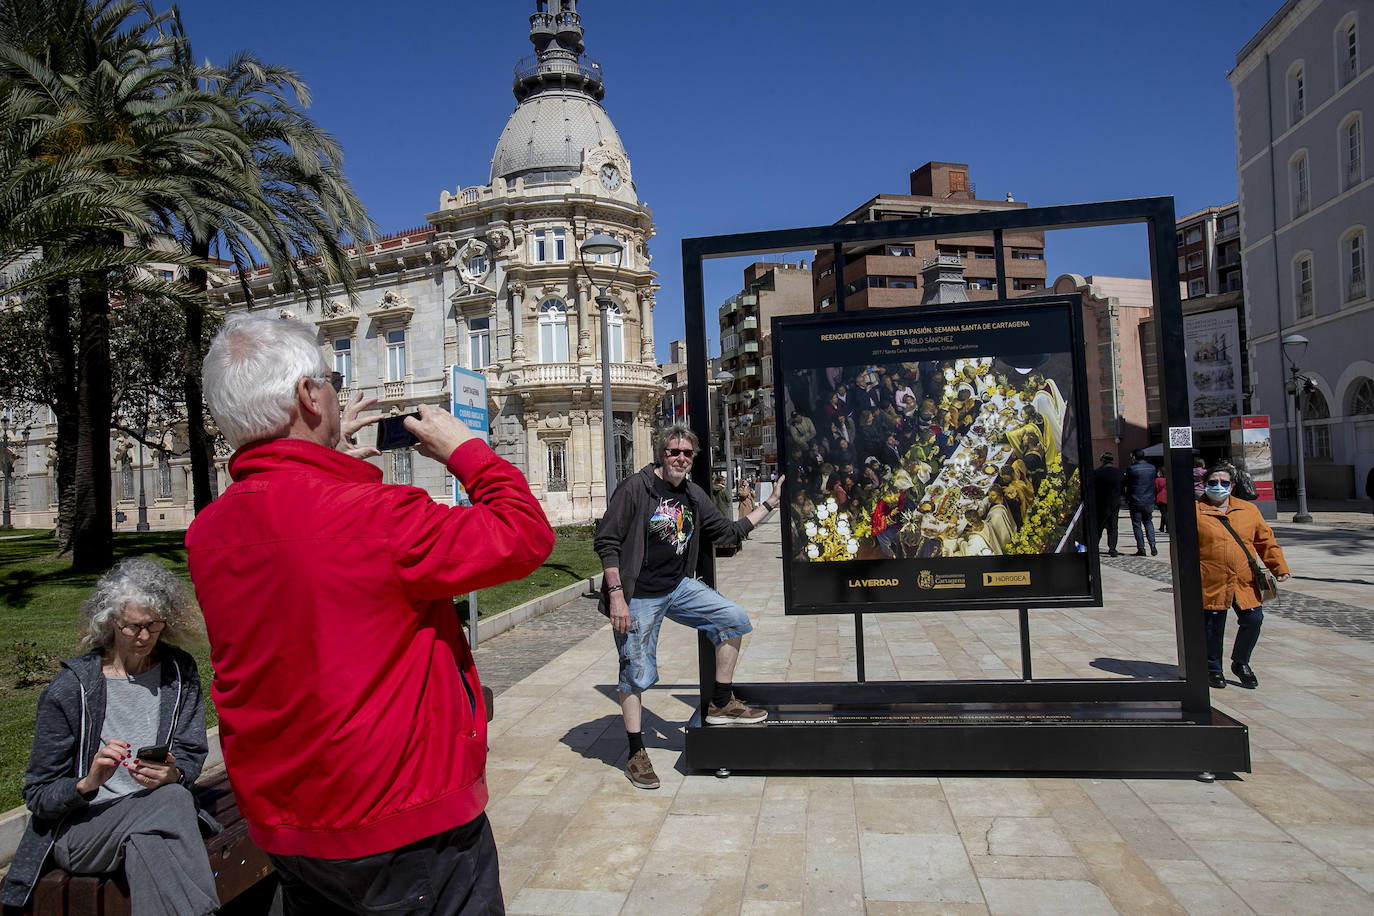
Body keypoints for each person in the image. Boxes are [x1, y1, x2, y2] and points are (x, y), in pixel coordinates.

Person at [185, 316, 554, 914]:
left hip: (287, 824)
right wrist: (468, 451)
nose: (336, 393)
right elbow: (524, 535)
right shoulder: (377, 517)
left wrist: (330, 459)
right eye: (331, 381)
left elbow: (321, 578)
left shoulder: (210, 531)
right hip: (402, 825)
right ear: (308, 396)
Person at [2, 559, 219, 915]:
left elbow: (191, 753)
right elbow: (38, 795)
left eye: (153, 625)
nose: (145, 636)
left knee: (151, 839)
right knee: (176, 801)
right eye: (132, 627)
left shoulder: (178, 673)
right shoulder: (72, 689)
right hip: (83, 829)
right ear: (109, 623)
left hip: (153, 820)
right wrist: (88, 782)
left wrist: (173, 773)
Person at [595, 424, 784, 790]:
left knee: (734, 619)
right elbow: (607, 541)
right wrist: (616, 595)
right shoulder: (636, 488)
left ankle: (720, 701)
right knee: (637, 672)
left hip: (677, 587)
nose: (681, 458)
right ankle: (636, 751)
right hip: (638, 595)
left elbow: (728, 533)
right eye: (674, 452)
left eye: (687, 453)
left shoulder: (693, 495)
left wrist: (770, 503)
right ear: (660, 455)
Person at [1195, 463, 1291, 689]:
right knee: (1213, 626)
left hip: (1244, 578)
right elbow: (1182, 547)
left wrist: (1279, 567)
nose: (1218, 486)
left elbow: (1265, 540)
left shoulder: (1248, 510)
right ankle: (1213, 669)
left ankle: (1241, 662)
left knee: (1253, 619)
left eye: (1224, 483)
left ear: (1233, 485)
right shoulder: (1195, 510)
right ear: (1205, 484)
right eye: (1213, 482)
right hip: (1211, 578)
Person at [1123, 449, 1159, 556]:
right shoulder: (1152, 468)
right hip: (1149, 500)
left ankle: (1141, 548)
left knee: (1137, 524)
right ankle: (1152, 544)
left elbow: (1127, 484)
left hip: (1135, 499)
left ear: (1134, 457)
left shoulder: (1131, 469)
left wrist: (1127, 497)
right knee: (1148, 522)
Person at [1093, 452, 1123, 556]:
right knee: (1113, 526)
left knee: (1099, 527)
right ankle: (1112, 548)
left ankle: (1094, 547)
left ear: (1102, 460)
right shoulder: (1118, 472)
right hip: (1115, 503)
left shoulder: (1097, 472)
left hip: (1101, 503)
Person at [1154, 467, 1168, 533]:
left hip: (1161, 497)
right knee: (1166, 513)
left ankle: (1167, 527)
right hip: (1168, 498)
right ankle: (1162, 527)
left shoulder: (1158, 480)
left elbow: (1156, 489)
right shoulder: (1168, 479)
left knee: (1164, 513)